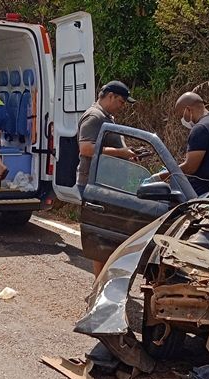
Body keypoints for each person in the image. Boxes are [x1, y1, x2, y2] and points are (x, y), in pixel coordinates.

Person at [76, 81, 139, 276]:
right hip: (94, 183)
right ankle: (99, 283)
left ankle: (104, 280)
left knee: (108, 234)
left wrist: (127, 153)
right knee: (101, 235)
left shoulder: (105, 116)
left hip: (105, 183)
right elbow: (86, 148)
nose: (122, 106)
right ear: (110, 96)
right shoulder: (94, 116)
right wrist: (121, 153)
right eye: (121, 101)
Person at [164, 92, 209, 196]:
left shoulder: (201, 128)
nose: (182, 120)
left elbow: (190, 167)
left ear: (188, 109)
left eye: (181, 115)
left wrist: (162, 176)